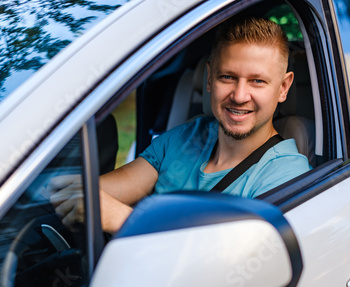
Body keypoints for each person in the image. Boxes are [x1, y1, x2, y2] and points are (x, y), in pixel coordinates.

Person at [50, 16, 311, 233]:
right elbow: (99, 193)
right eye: (228, 77)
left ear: (283, 87)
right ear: (209, 79)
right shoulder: (185, 136)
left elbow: (228, 263)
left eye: (257, 81)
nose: (240, 95)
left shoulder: (287, 175)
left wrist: (125, 220)